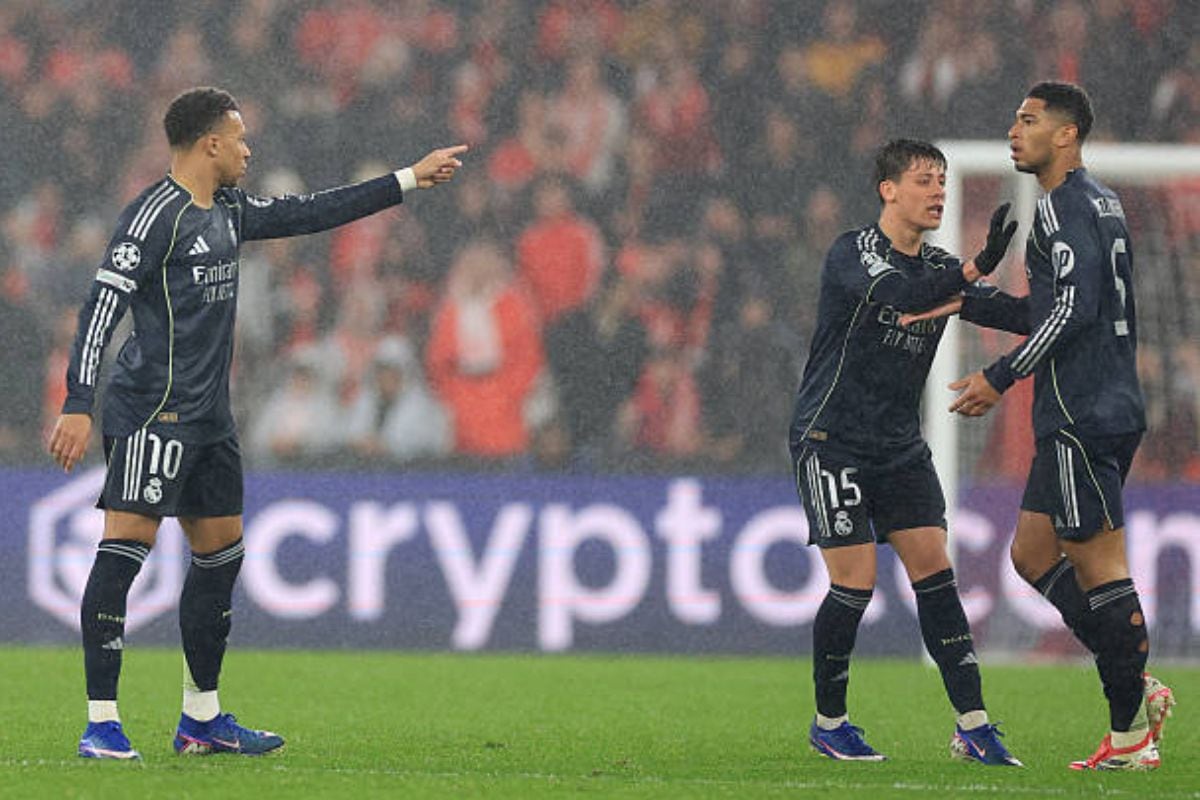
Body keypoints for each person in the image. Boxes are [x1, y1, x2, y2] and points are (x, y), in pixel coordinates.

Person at [47, 86, 466, 760]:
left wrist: (408, 179)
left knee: (221, 556)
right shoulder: (155, 216)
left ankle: (200, 720)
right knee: (125, 551)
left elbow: (312, 212)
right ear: (209, 142)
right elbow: (100, 307)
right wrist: (77, 400)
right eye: (239, 138)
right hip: (153, 409)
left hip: (211, 417)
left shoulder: (231, 210)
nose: (248, 149)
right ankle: (101, 723)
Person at [909, 82, 1175, 771]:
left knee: (1101, 567)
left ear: (1067, 135)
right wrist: (969, 298)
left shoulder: (1060, 208)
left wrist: (999, 378)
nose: (1013, 130)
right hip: (1102, 401)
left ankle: (1130, 736)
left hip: (1081, 410)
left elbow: (1074, 312)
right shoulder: (1102, 203)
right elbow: (1050, 307)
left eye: (1028, 120)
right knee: (1031, 555)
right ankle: (1134, 682)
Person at [788, 139, 1021, 764]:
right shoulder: (853, 253)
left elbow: (1016, 314)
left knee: (937, 574)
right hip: (830, 439)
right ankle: (829, 723)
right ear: (888, 189)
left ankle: (973, 726)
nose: (939, 192)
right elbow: (900, 297)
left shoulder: (942, 267)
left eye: (942, 182)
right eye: (924, 180)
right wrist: (974, 269)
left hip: (897, 446)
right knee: (855, 582)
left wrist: (1077, 298)